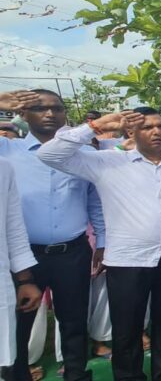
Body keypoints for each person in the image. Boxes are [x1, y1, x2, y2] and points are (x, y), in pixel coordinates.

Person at [37, 108, 161, 381]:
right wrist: (95, 126)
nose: (156, 132)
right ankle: (129, 377)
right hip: (128, 261)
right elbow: (48, 154)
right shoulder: (106, 163)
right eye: (147, 127)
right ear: (130, 132)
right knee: (127, 328)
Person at [0, 89, 106, 381]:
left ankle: (75, 373)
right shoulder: (7, 151)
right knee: (18, 324)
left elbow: (94, 201)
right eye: (39, 108)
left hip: (72, 252)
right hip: (23, 257)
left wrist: (103, 242)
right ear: (22, 115)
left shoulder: (84, 154)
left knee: (73, 321)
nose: (50, 114)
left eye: (57, 108)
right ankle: (16, 374)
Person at [0, 91, 42, 381]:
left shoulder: (4, 169)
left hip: (6, 277)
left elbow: (13, 227)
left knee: (8, 355)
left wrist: (24, 279)